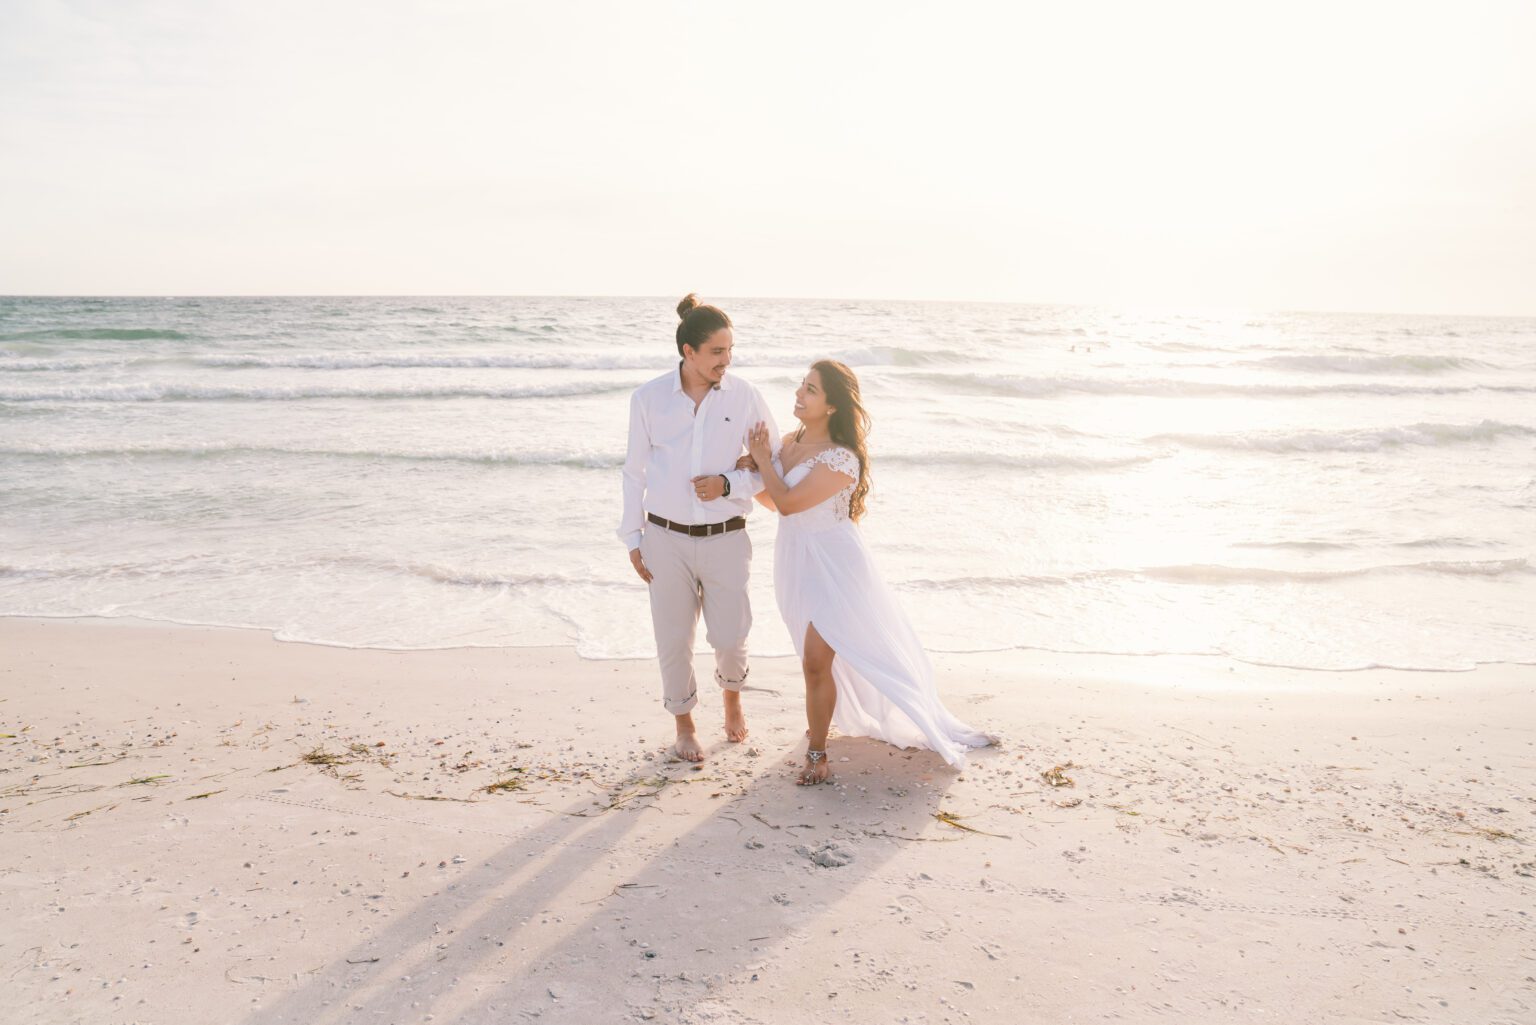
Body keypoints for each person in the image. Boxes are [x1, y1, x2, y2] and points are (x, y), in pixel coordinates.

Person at [744, 360, 991, 784]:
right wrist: (746, 471)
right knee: (815, 658)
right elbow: (775, 504)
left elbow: (787, 502)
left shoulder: (843, 459)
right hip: (797, 560)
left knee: (816, 661)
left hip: (837, 566)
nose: (799, 395)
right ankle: (821, 722)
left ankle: (818, 754)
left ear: (833, 406)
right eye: (801, 386)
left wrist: (763, 460)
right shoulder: (791, 443)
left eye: (811, 390)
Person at [619, 294, 780, 762]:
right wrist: (633, 538)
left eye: (729, 351)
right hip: (664, 538)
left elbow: (771, 468)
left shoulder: (746, 396)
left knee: (730, 638)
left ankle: (732, 699)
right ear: (688, 352)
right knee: (673, 640)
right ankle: (685, 726)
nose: (725, 361)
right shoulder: (648, 399)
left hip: (727, 537)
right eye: (716, 352)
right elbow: (634, 473)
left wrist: (727, 482)